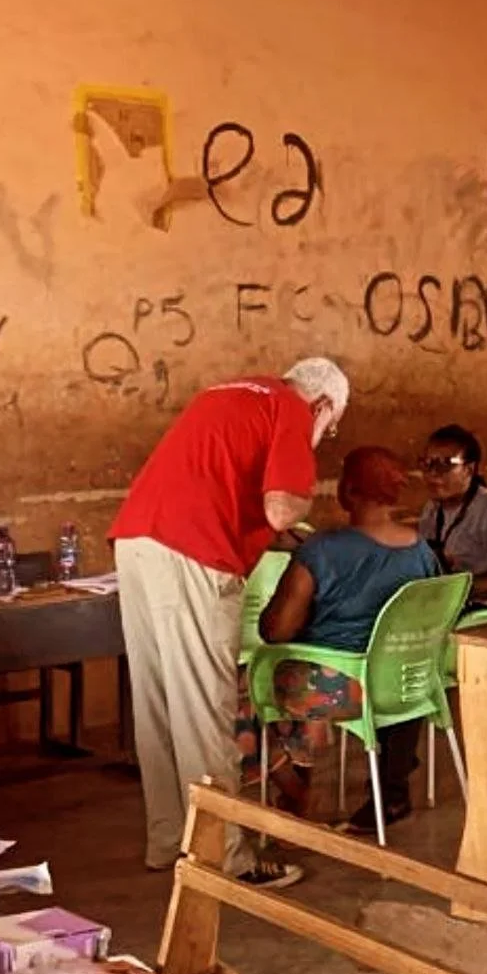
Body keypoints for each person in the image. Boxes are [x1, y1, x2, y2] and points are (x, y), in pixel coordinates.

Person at [110, 358, 349, 889]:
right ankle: (225, 859)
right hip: (194, 553)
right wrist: (297, 509)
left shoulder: (228, 393)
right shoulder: (290, 406)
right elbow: (284, 509)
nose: (322, 436)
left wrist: (267, 534)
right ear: (323, 405)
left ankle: (170, 842)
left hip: (137, 542)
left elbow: (223, 482)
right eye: (328, 429)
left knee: (160, 706)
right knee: (204, 712)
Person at [240, 446, 438, 835]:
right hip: (405, 687)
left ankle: (296, 790)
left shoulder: (322, 551)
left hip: (340, 690)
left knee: (240, 690)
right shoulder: (420, 550)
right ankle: (379, 792)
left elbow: (276, 630)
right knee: (296, 675)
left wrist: (302, 567)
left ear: (347, 492)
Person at [417, 425, 487, 607]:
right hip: (451, 604)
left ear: (469, 470)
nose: (432, 474)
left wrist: (455, 590)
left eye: (446, 464)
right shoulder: (431, 509)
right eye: (427, 464)